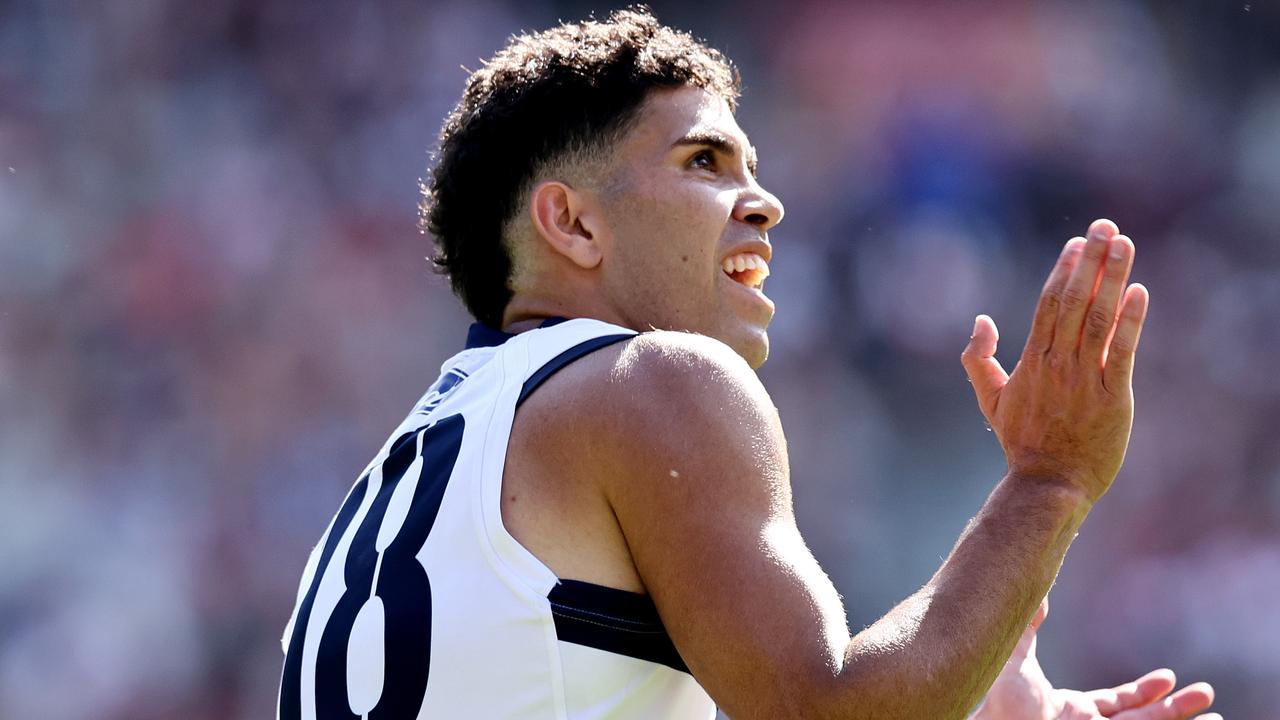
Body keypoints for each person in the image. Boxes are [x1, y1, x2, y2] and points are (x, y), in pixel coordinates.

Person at [278, 9, 1219, 720]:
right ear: (572, 222)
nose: (762, 201)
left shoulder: (411, 464)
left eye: (750, 165)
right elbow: (828, 711)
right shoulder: (649, 382)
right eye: (703, 161)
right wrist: (1050, 482)